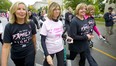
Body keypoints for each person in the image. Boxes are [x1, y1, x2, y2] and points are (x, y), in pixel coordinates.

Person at [1, 1, 37, 66]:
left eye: (24, 9)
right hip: (17, 56)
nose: (22, 11)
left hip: (30, 52)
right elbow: (6, 47)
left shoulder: (31, 23)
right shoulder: (9, 27)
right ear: (14, 11)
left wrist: (34, 50)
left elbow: (33, 37)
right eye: (18, 9)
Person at [40, 2, 72, 66]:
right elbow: (42, 41)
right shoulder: (46, 23)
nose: (57, 11)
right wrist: (47, 55)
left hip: (60, 48)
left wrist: (67, 38)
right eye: (55, 9)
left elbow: (61, 35)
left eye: (58, 9)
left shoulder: (60, 22)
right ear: (51, 10)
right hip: (50, 50)